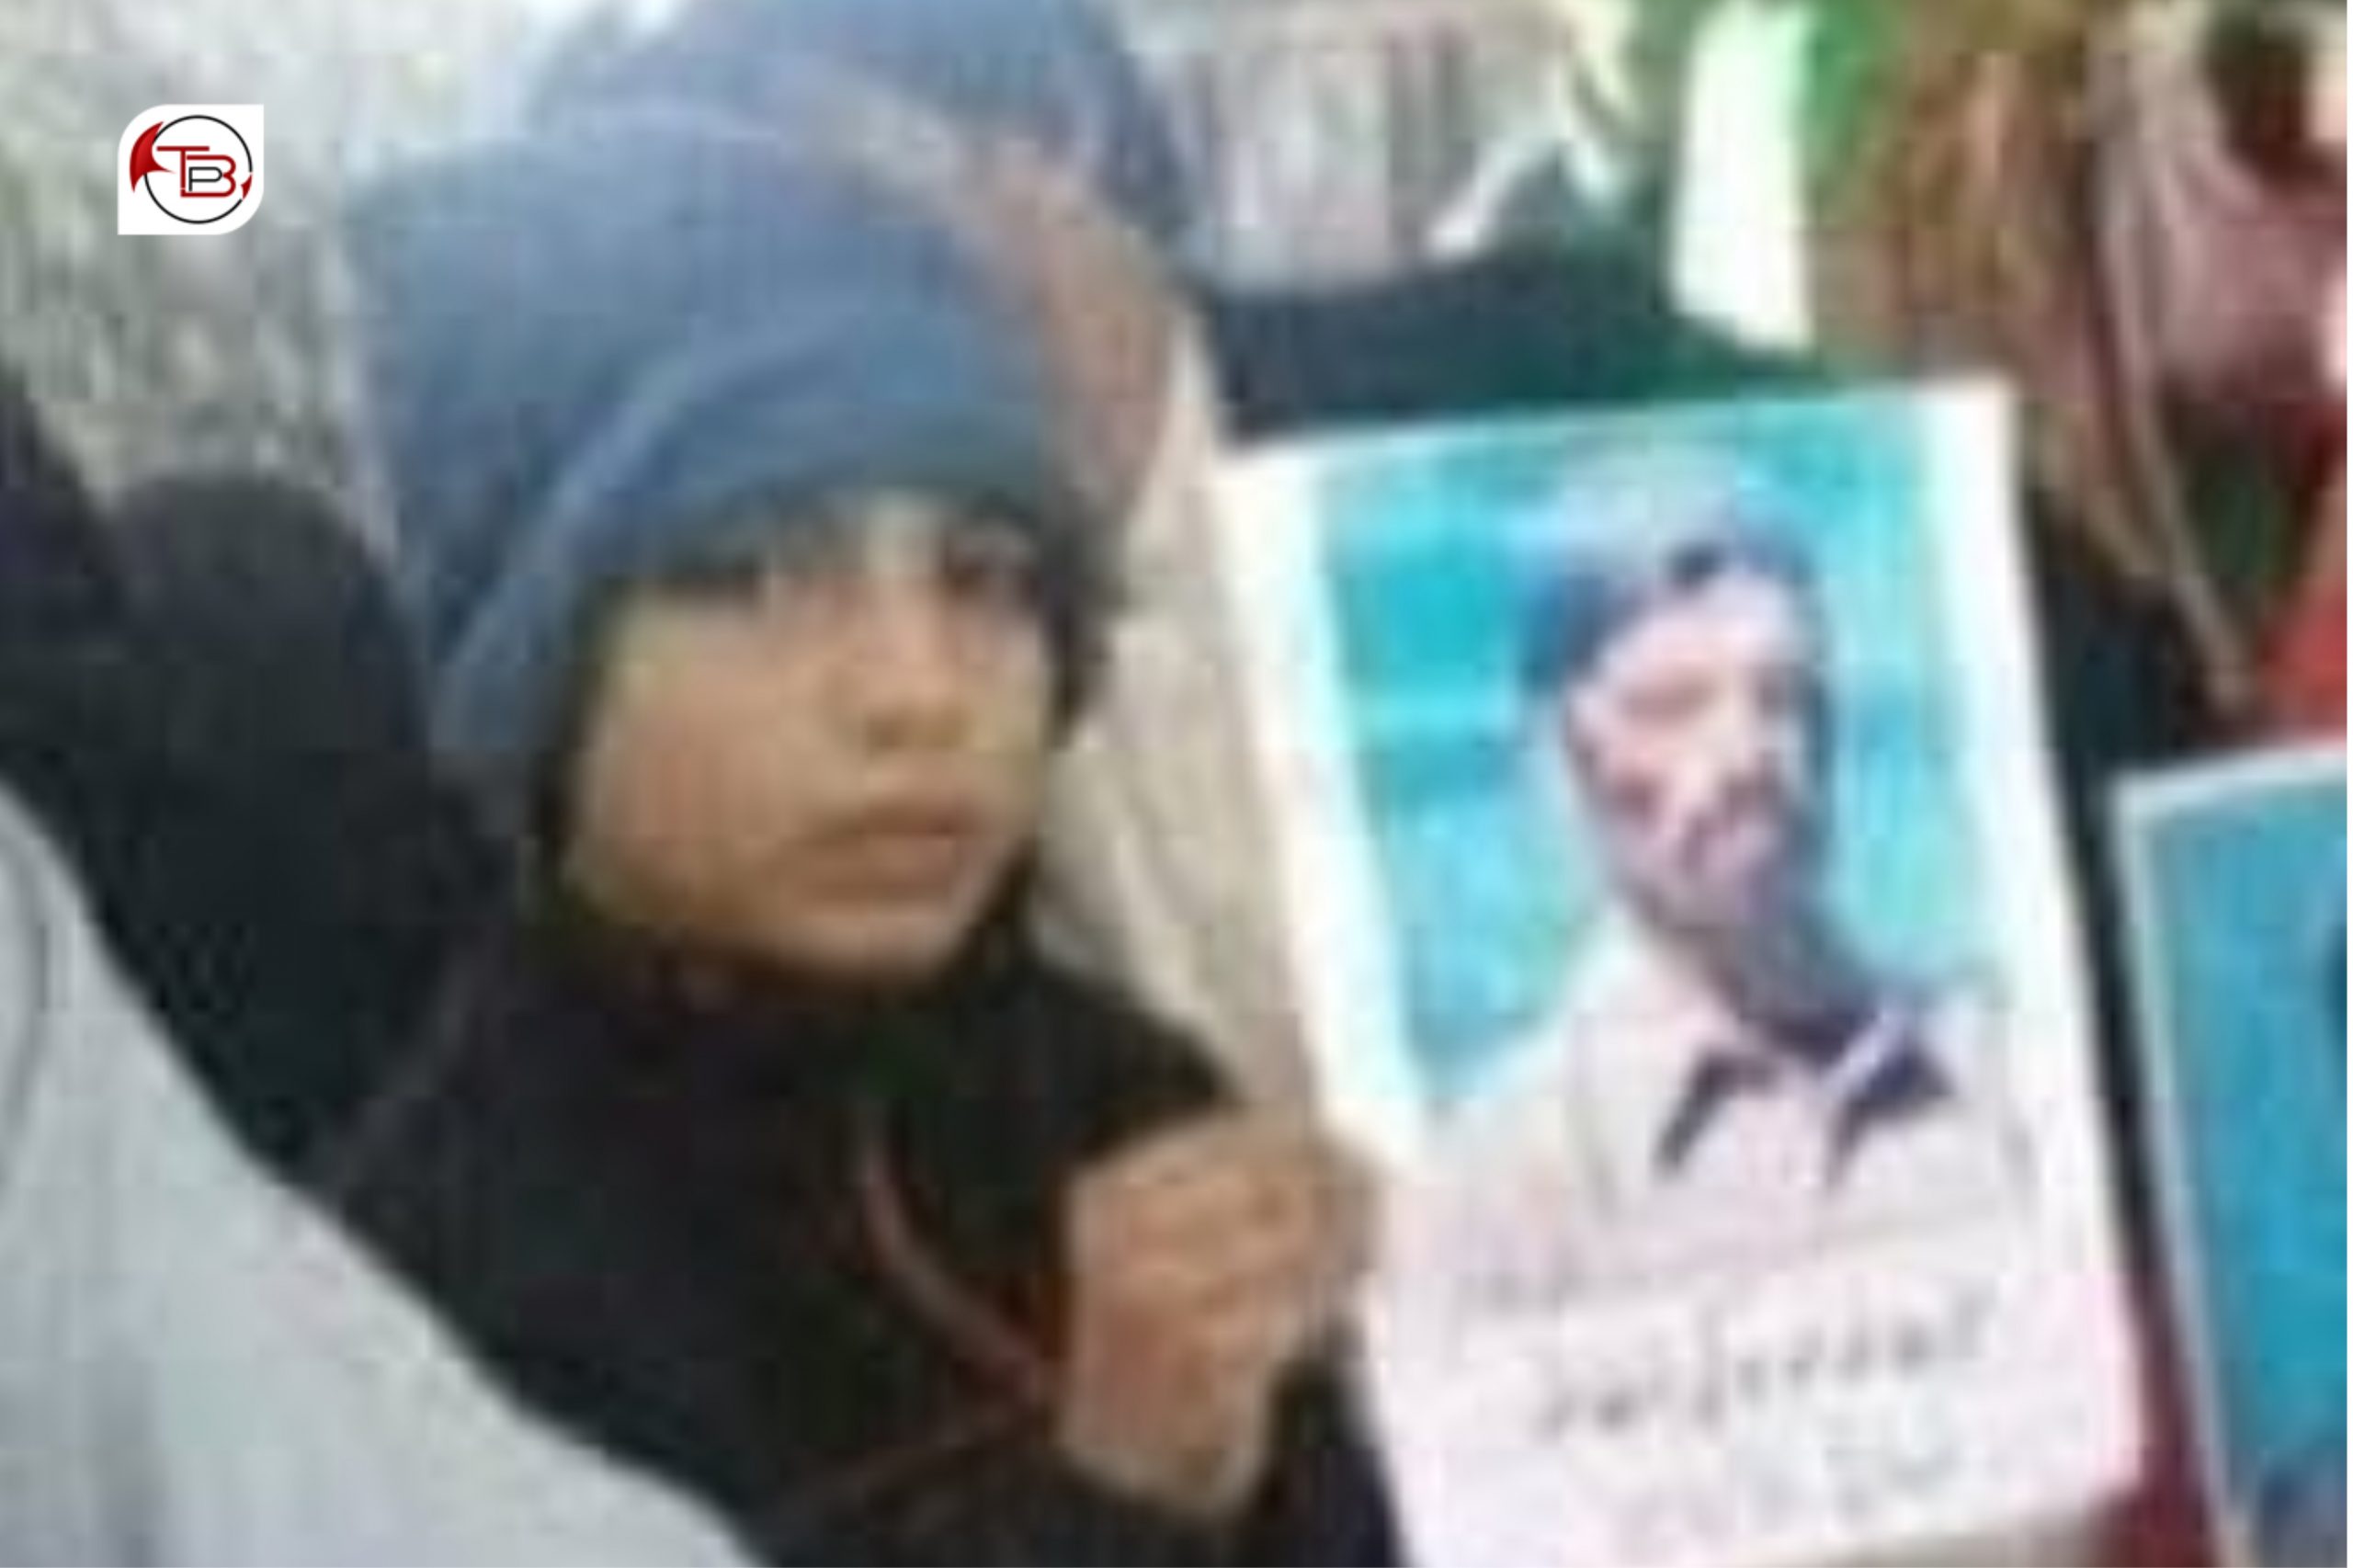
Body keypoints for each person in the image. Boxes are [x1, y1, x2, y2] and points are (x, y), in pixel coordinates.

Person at [322, 119, 1393, 1565]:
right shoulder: (406, 1316)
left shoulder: (1125, 1102)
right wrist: (1106, 1504)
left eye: (985, 577)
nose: (916, 688)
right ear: (540, 672)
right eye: (748, 572)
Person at [1406, 506, 2025, 1301]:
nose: (1746, 754)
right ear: (1556, 763)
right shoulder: (1494, 1182)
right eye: (1671, 706)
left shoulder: (2011, 1065)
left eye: (1783, 696)